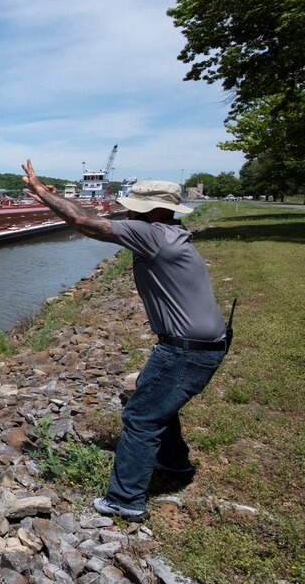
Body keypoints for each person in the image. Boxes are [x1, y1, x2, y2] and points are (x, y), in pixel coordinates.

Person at [22, 160, 231, 522]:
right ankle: (174, 462)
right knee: (157, 401)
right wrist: (58, 198)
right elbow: (94, 218)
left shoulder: (150, 235)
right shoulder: (170, 232)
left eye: (133, 205)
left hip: (185, 349)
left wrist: (41, 193)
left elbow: (85, 223)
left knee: (141, 417)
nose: (127, 209)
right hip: (203, 344)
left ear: (147, 211)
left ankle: (125, 500)